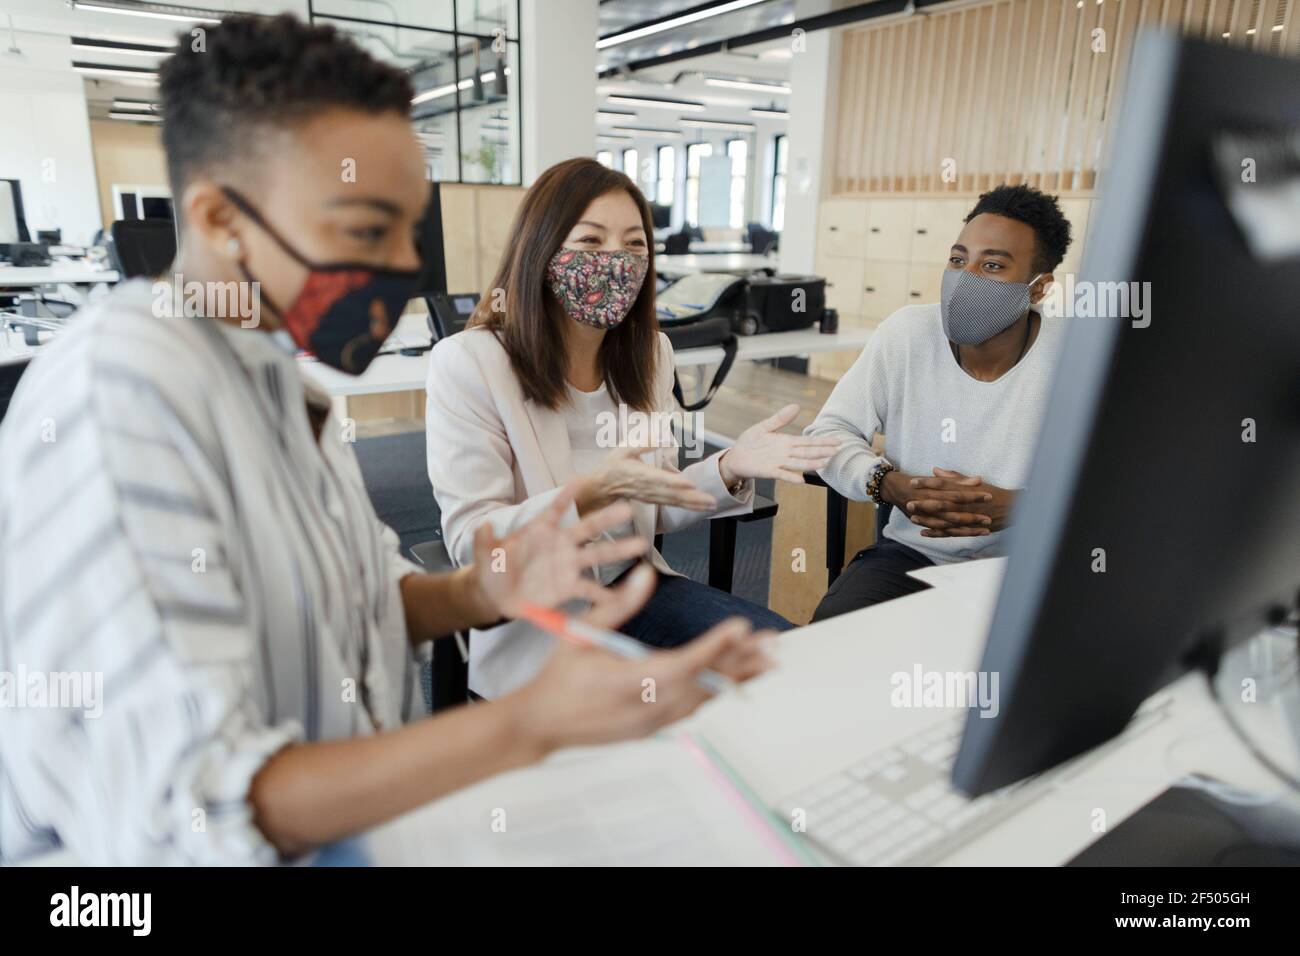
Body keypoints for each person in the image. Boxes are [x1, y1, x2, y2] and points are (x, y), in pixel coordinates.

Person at [0, 15, 772, 866]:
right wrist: (526, 724)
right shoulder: (122, 396)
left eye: (411, 229)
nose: (406, 267)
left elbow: (365, 589)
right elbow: (191, 808)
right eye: (369, 230)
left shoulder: (275, 380)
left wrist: (484, 590)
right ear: (222, 218)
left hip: (332, 811)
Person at [425, 158, 839, 699]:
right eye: (590, 242)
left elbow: (656, 502)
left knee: (789, 665)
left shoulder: (649, 354)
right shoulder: (469, 362)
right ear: (542, 250)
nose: (614, 262)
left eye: (633, 245)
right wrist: (593, 494)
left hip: (637, 590)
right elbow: (472, 544)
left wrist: (728, 466)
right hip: (541, 617)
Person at [806, 184, 1073, 619]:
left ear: (1038, 289)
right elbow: (826, 434)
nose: (965, 277)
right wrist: (885, 483)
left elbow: (1120, 480)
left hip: (1030, 564)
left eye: (991, 265)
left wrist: (1029, 506)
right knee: (829, 644)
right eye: (957, 259)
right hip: (912, 557)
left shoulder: (1074, 355)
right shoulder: (908, 333)